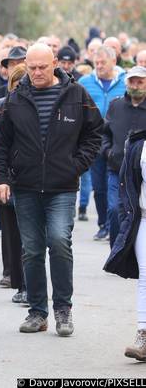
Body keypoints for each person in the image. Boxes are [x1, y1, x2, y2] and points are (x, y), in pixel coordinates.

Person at [0, 43, 102, 336]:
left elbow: (94, 134)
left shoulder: (77, 95)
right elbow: (0, 145)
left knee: (59, 241)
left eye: (42, 66)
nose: (37, 73)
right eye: (31, 67)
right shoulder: (14, 99)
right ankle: (37, 312)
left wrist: (75, 165)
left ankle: (63, 309)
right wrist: (0, 179)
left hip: (62, 186)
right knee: (32, 249)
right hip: (25, 186)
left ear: (55, 63)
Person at [104, 126, 146, 361]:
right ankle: (144, 333)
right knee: (145, 277)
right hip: (143, 218)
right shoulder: (139, 144)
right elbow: (126, 186)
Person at [79, 46, 127, 241]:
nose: (98, 66)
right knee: (99, 187)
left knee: (114, 186)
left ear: (113, 62)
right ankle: (103, 224)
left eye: (102, 63)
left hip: (117, 144)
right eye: (96, 63)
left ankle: (113, 224)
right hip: (94, 142)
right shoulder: (84, 83)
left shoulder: (125, 83)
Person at [0, 63, 29, 304]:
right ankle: (15, 278)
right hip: (8, 176)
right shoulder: (2, 107)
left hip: (31, 179)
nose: (20, 89)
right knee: (11, 233)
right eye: (16, 84)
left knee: (31, 236)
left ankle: (28, 284)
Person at [102, 66, 146, 248]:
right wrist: (108, 152)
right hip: (116, 169)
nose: (135, 85)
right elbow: (104, 133)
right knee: (114, 210)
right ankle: (117, 250)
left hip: (142, 173)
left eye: (140, 81)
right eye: (132, 81)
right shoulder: (115, 105)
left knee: (138, 212)